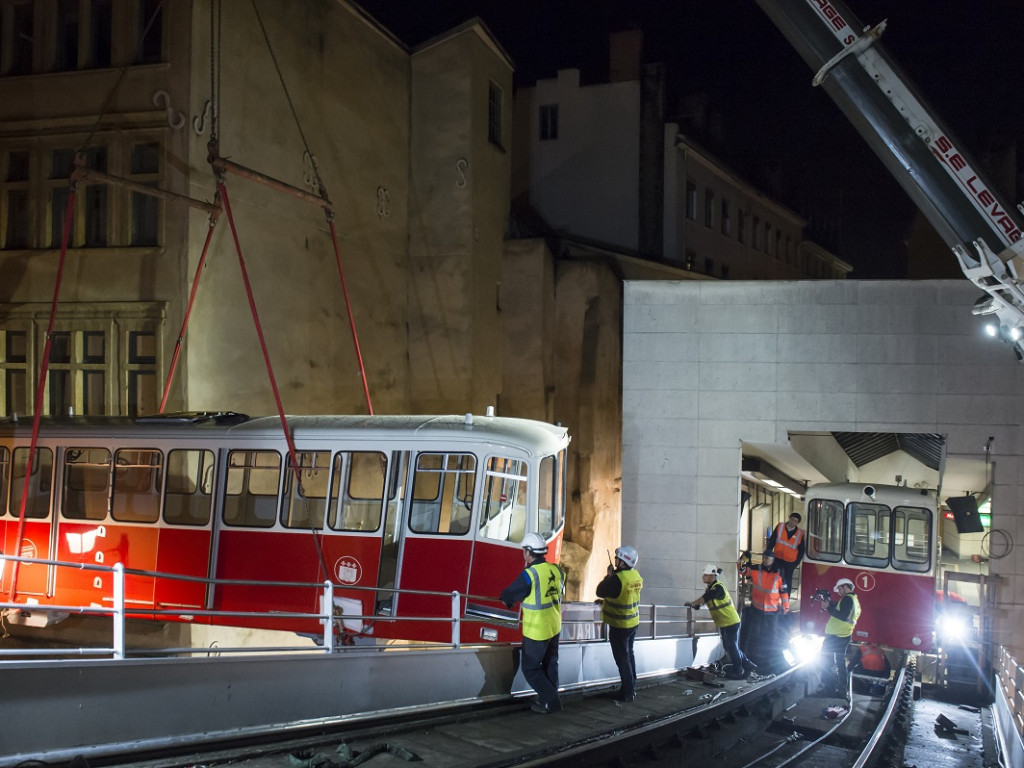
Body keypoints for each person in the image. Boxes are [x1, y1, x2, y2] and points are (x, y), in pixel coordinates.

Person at [501, 532, 566, 714]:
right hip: (554, 626)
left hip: (537, 630)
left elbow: (510, 594)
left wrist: (506, 598)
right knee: (551, 663)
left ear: (529, 552)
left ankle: (552, 701)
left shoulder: (530, 574)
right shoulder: (557, 570)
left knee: (530, 668)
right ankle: (549, 701)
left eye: (524, 550)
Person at [685, 563, 756, 680]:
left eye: (705, 575)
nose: (703, 577)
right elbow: (709, 602)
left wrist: (693, 603)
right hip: (725, 622)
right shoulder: (712, 588)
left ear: (712, 576)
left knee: (731, 647)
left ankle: (738, 670)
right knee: (729, 647)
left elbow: (706, 598)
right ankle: (748, 665)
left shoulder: (717, 588)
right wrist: (698, 606)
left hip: (730, 622)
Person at [596, 545, 644, 702]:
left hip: (620, 625)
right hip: (633, 622)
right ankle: (630, 687)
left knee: (622, 659)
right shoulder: (634, 575)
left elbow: (601, 591)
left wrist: (608, 576)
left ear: (623, 562)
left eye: (618, 558)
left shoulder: (617, 580)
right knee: (629, 655)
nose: (615, 559)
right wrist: (613, 575)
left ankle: (627, 693)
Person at [738, 552, 789, 673]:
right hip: (757, 609)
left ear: (773, 560)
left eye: (768, 558)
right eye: (764, 558)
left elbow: (784, 591)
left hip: (773, 610)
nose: (765, 560)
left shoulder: (779, 572)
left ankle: (772, 659)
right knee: (754, 633)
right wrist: (742, 559)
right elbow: (742, 571)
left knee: (772, 636)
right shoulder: (756, 569)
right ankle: (751, 658)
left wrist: (785, 606)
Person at [817, 577, 861, 697]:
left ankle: (828, 689)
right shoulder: (854, 600)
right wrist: (830, 605)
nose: (838, 592)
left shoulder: (847, 599)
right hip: (844, 635)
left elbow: (842, 615)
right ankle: (841, 690)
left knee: (826, 662)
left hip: (836, 636)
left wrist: (828, 607)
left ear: (846, 586)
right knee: (840, 664)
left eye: (839, 589)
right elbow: (842, 611)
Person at [764, 513, 805, 598]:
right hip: (778, 559)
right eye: (792, 519)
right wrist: (768, 554)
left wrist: (796, 563)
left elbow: (801, 550)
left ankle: (786, 599)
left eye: (795, 521)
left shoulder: (800, 533)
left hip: (790, 562)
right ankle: (774, 597)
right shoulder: (780, 527)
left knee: (787, 580)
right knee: (775, 577)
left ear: (797, 523)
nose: (792, 522)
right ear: (789, 518)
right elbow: (772, 541)